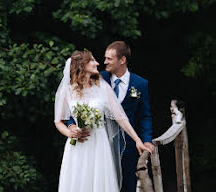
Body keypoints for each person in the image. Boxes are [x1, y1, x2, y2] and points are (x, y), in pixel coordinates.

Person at [54, 51, 150, 192]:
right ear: (81, 65)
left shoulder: (102, 87)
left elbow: (120, 117)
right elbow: (58, 122)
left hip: (99, 143)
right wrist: (70, 132)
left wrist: (137, 140)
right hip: (77, 146)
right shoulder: (67, 91)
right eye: (92, 60)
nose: (97, 63)